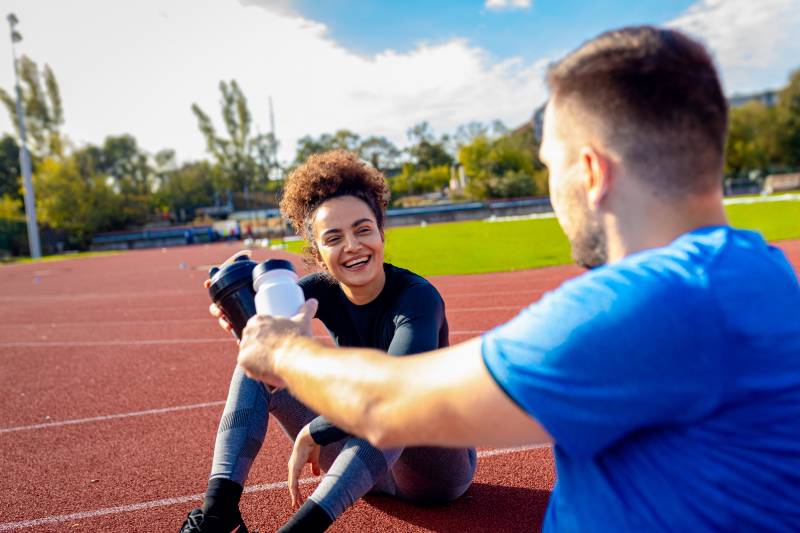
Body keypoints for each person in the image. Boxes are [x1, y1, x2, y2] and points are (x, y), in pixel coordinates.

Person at [236, 26, 800, 532]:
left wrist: (283, 353)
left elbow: (391, 404)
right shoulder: (764, 275)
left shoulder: (646, 304)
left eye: (549, 165)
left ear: (590, 170)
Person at [180, 150, 476, 533]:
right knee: (258, 363)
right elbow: (268, 337)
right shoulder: (320, 290)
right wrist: (241, 315)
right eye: (334, 237)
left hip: (433, 472)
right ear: (317, 253)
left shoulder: (418, 298)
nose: (352, 245)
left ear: (381, 233)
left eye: (363, 229)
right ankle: (218, 516)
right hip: (361, 466)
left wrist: (316, 429)